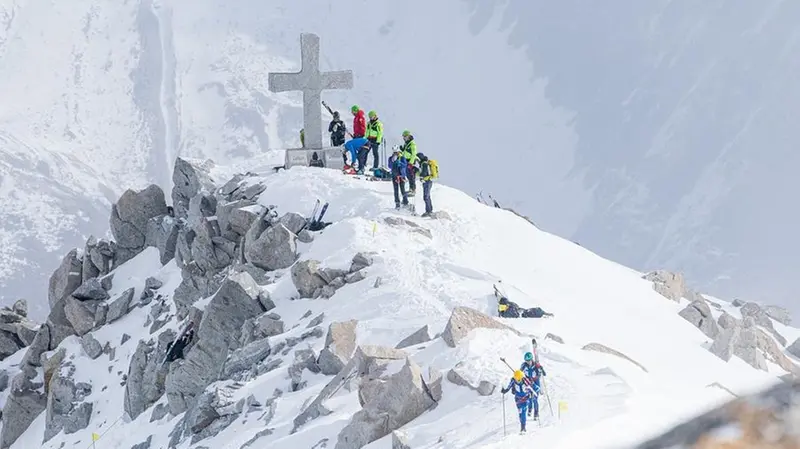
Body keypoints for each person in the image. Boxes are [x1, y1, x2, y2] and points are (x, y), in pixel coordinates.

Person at [520, 352, 546, 420]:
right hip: (528, 382)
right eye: (526, 361)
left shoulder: (536, 365)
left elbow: (544, 374)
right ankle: (530, 409)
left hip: (535, 382)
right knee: (529, 397)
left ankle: (536, 413)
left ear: (531, 359)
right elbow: (520, 372)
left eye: (529, 360)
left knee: (535, 398)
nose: (528, 362)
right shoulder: (524, 365)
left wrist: (541, 369)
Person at [400, 130, 418, 196]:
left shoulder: (412, 144)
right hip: (405, 160)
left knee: (411, 175)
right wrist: (402, 150)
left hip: (410, 161)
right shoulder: (406, 143)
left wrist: (411, 163)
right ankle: (411, 189)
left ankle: (413, 190)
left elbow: (414, 154)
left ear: (408, 136)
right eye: (403, 136)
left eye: (405, 136)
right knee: (408, 175)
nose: (404, 138)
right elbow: (406, 151)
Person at [417, 153, 434, 217]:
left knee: (426, 196)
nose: (417, 160)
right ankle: (429, 210)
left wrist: (421, 176)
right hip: (427, 181)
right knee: (427, 196)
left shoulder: (424, 163)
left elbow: (424, 173)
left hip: (427, 181)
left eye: (417, 159)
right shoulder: (424, 163)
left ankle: (429, 211)